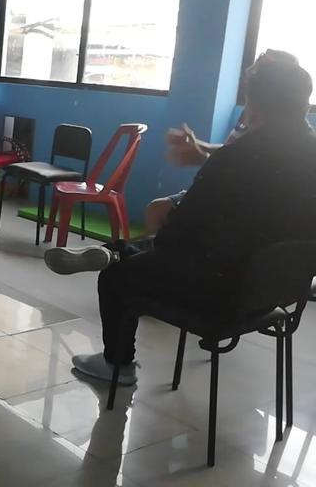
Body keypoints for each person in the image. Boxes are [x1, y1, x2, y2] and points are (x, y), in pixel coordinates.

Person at [43, 52, 316, 385]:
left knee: (116, 278)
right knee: (162, 248)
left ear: (254, 105)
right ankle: (116, 251)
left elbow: (177, 234)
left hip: (221, 289)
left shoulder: (236, 158)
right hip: (278, 291)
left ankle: (117, 363)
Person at [143, 50, 299, 234]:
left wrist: (202, 158)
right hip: (229, 193)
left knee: (159, 211)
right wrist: (201, 145)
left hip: (239, 204)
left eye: (261, 66)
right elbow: (234, 151)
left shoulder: (274, 126)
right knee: (157, 210)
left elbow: (249, 177)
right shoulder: (252, 112)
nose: (250, 70)